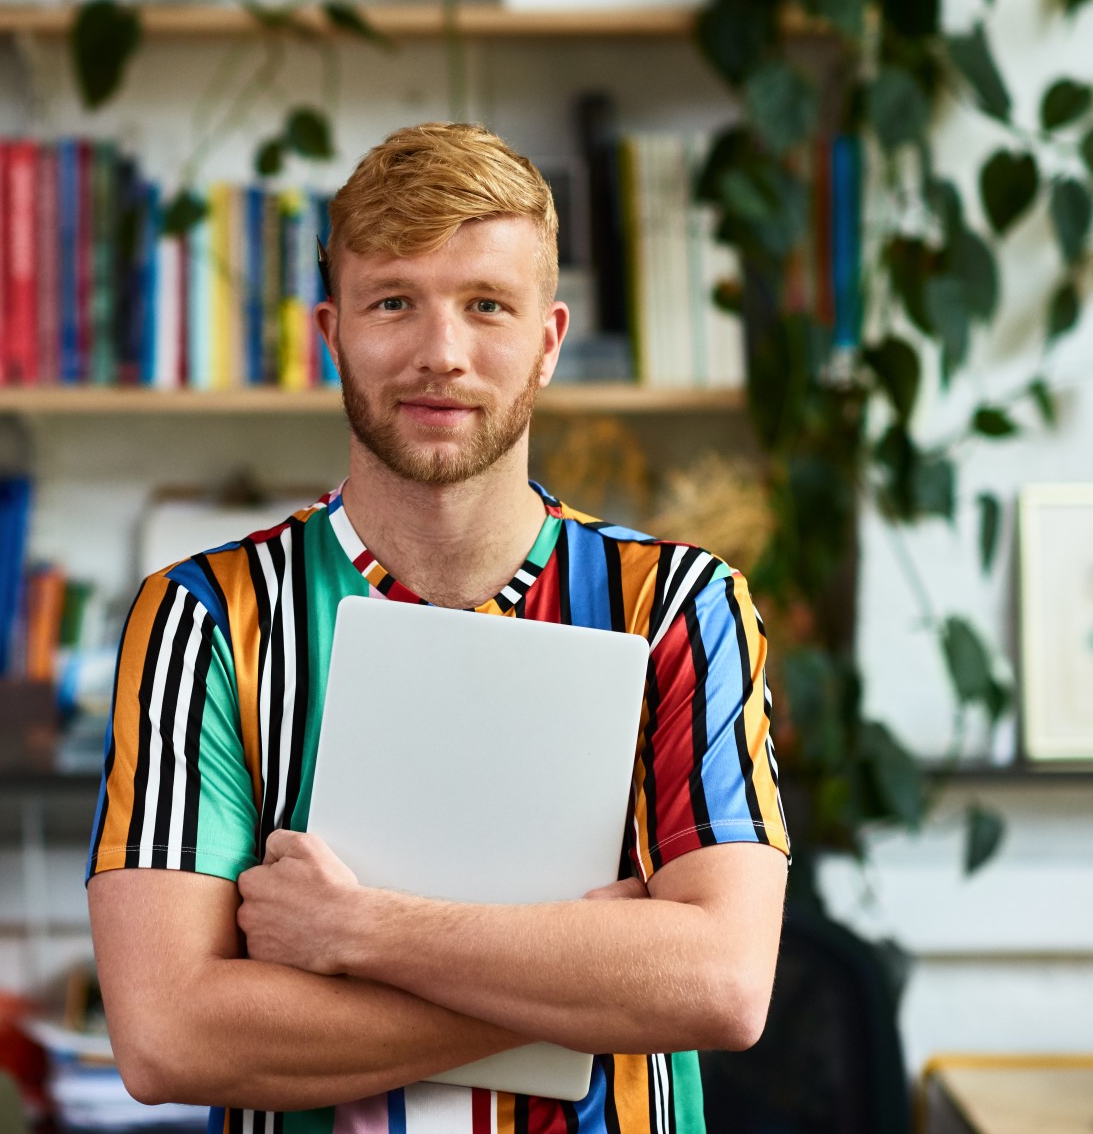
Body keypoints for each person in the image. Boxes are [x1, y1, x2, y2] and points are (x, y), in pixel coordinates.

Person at [85, 122, 790, 1133]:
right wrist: (584, 978)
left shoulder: (680, 605)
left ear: (548, 341)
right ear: (333, 332)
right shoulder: (203, 619)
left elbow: (721, 984)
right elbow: (168, 1037)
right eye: (393, 303)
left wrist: (357, 930)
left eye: (486, 305)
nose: (440, 355)